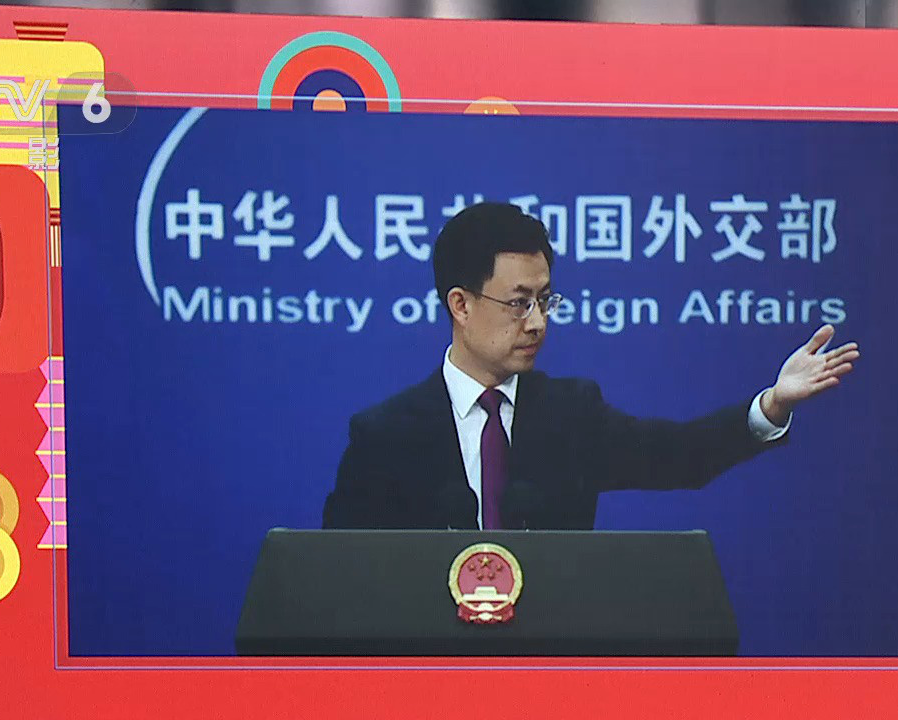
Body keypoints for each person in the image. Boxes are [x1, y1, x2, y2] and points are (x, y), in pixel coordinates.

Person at [322, 202, 857, 530]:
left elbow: (680, 456)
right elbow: (342, 579)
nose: (537, 323)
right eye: (518, 303)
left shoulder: (571, 414)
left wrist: (772, 404)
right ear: (460, 305)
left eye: (545, 301)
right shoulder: (384, 436)